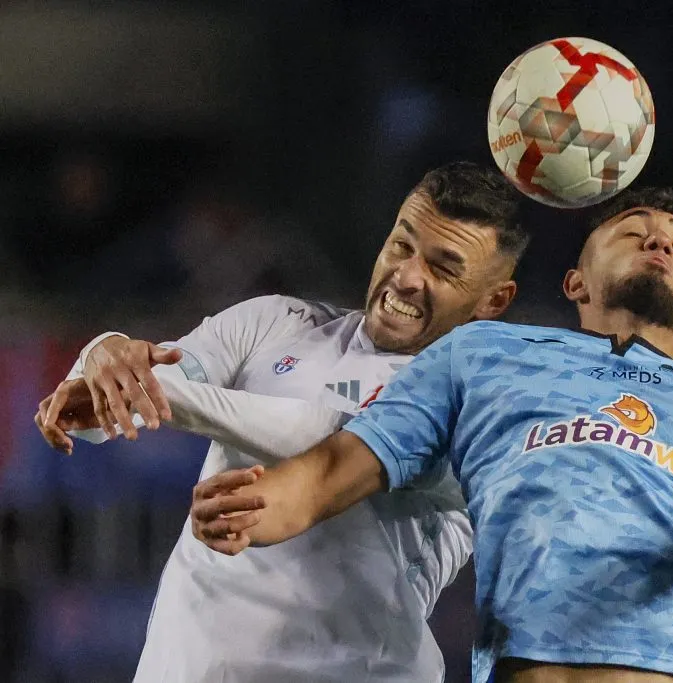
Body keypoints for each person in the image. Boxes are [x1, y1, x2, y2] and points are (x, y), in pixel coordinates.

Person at [191, 185, 673, 683]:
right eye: (634, 231)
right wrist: (268, 502)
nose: (659, 241)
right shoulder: (484, 357)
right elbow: (346, 463)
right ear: (575, 282)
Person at [33, 161, 530, 683]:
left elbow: (333, 443)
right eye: (401, 245)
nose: (406, 277)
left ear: (493, 300)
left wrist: (175, 399)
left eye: (443, 269)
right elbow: (121, 403)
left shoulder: (482, 410)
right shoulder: (274, 323)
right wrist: (104, 356)